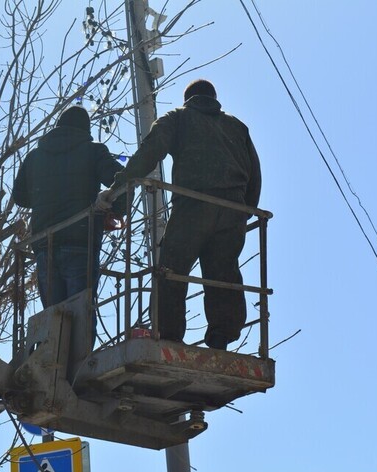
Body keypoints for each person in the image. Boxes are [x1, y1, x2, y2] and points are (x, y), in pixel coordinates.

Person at [96, 79, 261, 350]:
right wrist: (246, 211)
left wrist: (117, 187)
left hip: (193, 206)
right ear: (214, 98)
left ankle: (169, 335)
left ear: (188, 99)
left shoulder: (178, 117)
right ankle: (222, 335)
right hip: (234, 210)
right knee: (224, 273)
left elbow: (150, 153)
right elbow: (255, 173)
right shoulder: (237, 126)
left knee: (171, 269)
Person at [13, 105, 125, 366]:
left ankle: (52, 365)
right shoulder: (94, 150)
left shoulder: (35, 156)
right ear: (85, 129)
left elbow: (20, 196)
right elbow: (118, 181)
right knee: (81, 308)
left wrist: (46, 198)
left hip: (45, 244)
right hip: (81, 239)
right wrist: (117, 208)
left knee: (53, 312)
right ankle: (80, 369)